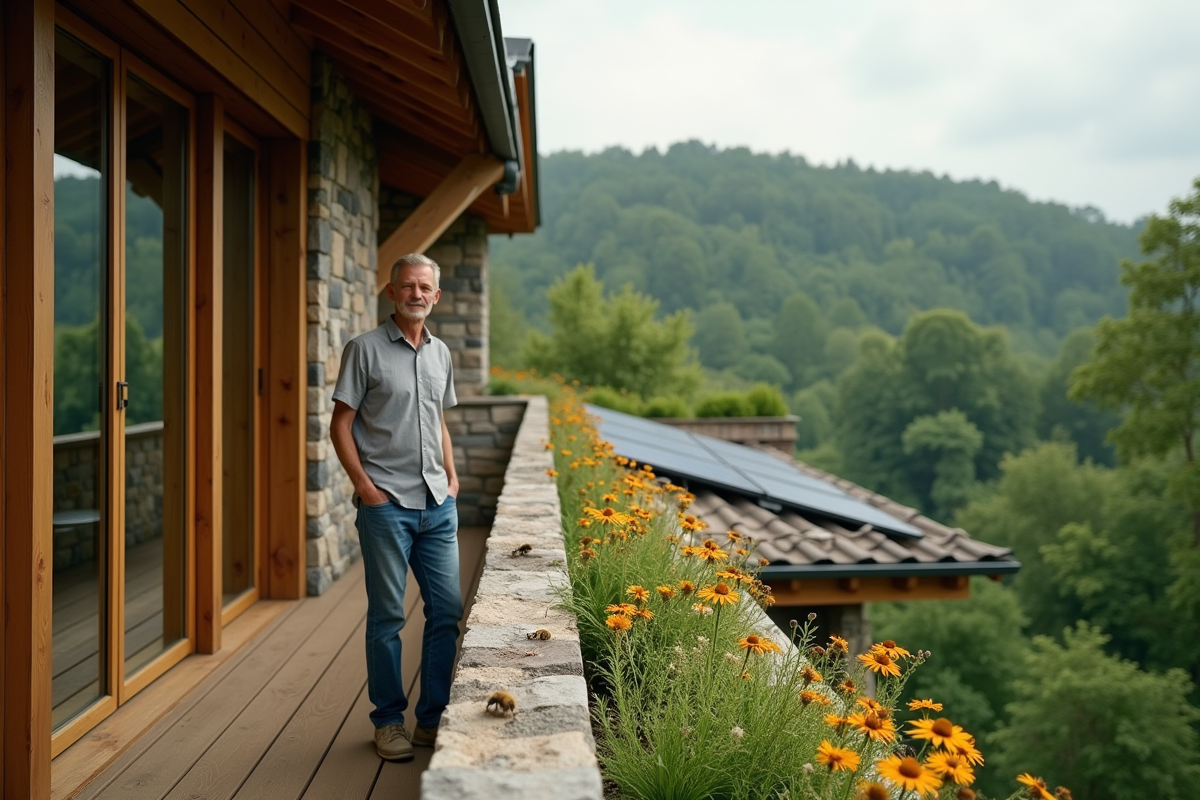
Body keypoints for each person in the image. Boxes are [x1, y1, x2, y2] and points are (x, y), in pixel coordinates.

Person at [329, 253, 462, 762]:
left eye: (424, 287)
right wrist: (364, 487)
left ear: (436, 295)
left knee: (446, 612)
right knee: (387, 616)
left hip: (436, 504)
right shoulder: (363, 350)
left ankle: (431, 720)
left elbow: (439, 422)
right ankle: (388, 721)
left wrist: (451, 477)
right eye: (407, 286)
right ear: (392, 292)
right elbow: (341, 424)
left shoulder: (441, 352)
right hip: (386, 504)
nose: (416, 294)